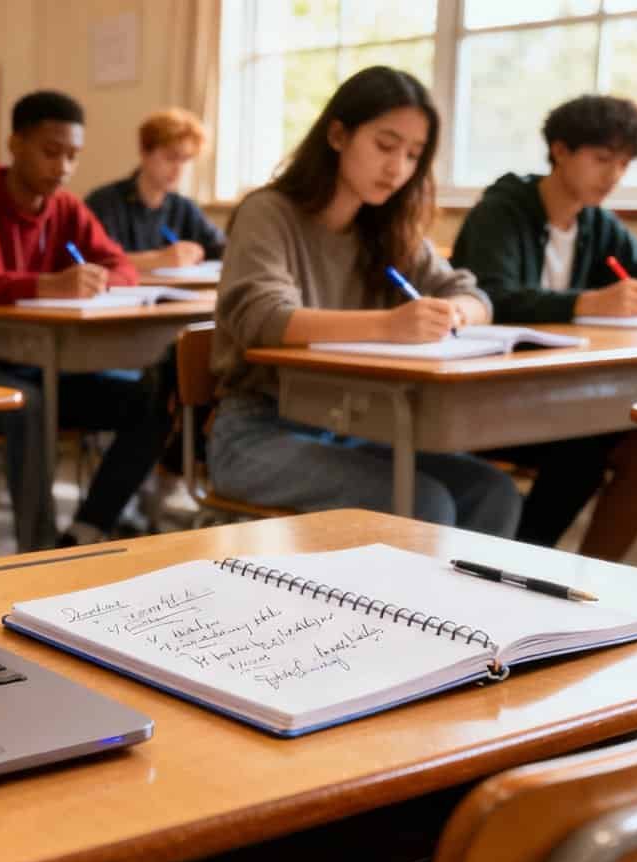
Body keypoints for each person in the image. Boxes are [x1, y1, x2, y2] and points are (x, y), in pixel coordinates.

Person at [209, 66, 520, 535]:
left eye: (413, 154)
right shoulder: (268, 212)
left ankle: (459, 611)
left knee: (492, 492)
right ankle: (406, 611)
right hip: (256, 434)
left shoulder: (386, 228)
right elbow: (264, 318)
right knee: (423, 503)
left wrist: (454, 313)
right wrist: (389, 325)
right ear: (338, 135)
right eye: (385, 145)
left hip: (350, 428)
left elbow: (473, 294)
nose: (398, 168)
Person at [0, 90, 168, 551]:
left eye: (73, 156)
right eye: (51, 152)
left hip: (47, 364)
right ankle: (37, 549)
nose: (64, 168)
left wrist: (99, 279)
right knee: (28, 403)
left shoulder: (66, 208)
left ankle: (83, 531)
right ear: (15, 144)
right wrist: (45, 284)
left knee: (149, 397)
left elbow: (123, 267)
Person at [452, 94, 637, 559]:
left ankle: (598, 574)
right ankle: (529, 560)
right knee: (585, 447)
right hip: (490, 392)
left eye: (623, 164)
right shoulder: (503, 210)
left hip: (558, 391)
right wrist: (590, 301)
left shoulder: (595, 223)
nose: (613, 175)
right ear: (559, 150)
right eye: (601, 159)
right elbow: (492, 296)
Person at [86, 107, 226, 272]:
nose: (178, 169)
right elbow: (94, 259)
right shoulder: (104, 203)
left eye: (185, 160)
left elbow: (223, 248)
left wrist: (199, 252)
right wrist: (158, 259)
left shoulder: (184, 207)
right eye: (171, 158)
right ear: (144, 152)